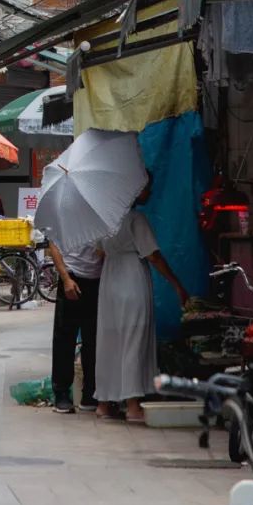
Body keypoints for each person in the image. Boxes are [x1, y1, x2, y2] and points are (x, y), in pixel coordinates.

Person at [95, 175, 188, 423]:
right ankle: (133, 405)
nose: (150, 192)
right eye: (147, 187)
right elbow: (154, 255)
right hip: (131, 280)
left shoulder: (105, 218)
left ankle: (104, 403)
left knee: (111, 340)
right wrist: (176, 284)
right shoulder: (136, 219)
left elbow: (99, 251)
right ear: (135, 190)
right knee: (133, 339)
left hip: (110, 280)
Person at [47, 239, 103, 414]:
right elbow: (54, 246)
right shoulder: (64, 216)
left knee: (93, 340)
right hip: (71, 278)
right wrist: (65, 278)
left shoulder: (100, 220)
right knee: (65, 339)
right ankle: (62, 393)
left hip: (96, 280)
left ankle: (90, 393)